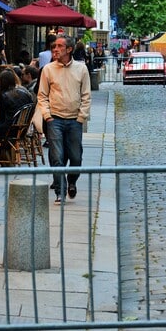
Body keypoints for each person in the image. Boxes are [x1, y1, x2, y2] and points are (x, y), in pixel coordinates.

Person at [37, 35, 92, 204]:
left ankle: (72, 181)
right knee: (56, 156)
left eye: (60, 46)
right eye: (54, 46)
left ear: (69, 49)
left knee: (76, 157)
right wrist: (47, 115)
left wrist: (81, 117)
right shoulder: (48, 69)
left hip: (74, 119)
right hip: (55, 119)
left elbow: (86, 95)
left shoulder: (81, 69)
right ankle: (60, 191)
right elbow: (42, 95)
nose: (55, 49)